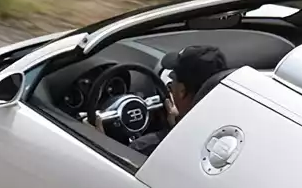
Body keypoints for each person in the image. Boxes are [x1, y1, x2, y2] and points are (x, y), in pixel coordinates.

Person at [89, 44, 228, 154]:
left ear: (181, 91)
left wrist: (101, 141)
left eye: (172, 79)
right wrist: (176, 125)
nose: (169, 85)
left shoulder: (146, 147)